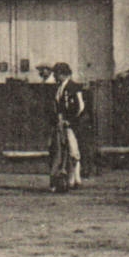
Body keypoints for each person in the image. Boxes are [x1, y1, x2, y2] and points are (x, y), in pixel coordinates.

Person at [49, 61, 85, 192]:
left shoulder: (74, 86)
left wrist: (71, 120)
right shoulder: (60, 88)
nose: (54, 76)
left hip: (72, 124)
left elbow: (81, 107)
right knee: (66, 151)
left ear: (63, 74)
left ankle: (76, 179)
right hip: (63, 124)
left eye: (56, 74)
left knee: (73, 151)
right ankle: (72, 180)